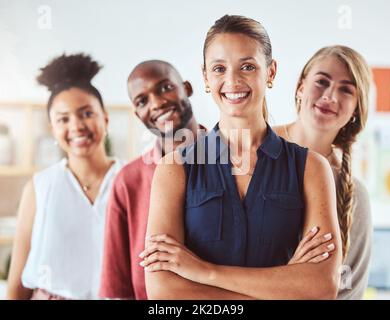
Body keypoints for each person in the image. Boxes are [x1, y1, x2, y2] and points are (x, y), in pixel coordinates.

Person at [141, 14, 342, 300]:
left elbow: (321, 287)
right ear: (206, 77)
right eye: (219, 68)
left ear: (270, 72)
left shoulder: (311, 169)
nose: (232, 81)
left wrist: (203, 271)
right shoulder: (175, 169)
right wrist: (284, 287)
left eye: (247, 66)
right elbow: (164, 292)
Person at [7, 53, 122, 300]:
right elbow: (16, 285)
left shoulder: (130, 179)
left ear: (105, 118)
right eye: (63, 119)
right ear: (53, 128)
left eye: (86, 113)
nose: (76, 126)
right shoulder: (40, 187)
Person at [99, 60, 206, 299]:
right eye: (142, 101)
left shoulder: (232, 160)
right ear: (138, 115)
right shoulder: (128, 181)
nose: (157, 103)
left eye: (166, 87)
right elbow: (118, 287)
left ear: (187, 88)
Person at [272, 45, 372, 299]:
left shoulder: (354, 196)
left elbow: (348, 292)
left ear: (356, 110)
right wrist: (291, 277)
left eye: (346, 89)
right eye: (322, 81)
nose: (330, 96)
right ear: (300, 87)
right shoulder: (252, 148)